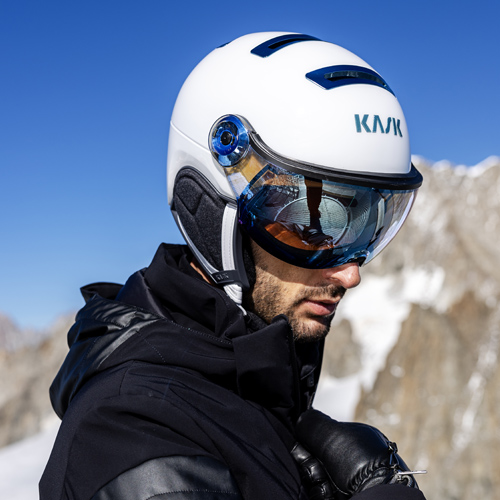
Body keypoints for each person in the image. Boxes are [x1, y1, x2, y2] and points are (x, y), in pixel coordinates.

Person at [40, 32, 426, 499]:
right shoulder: (132, 434)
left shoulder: (248, 388)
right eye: (306, 226)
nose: (350, 274)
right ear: (210, 208)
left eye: (365, 229)